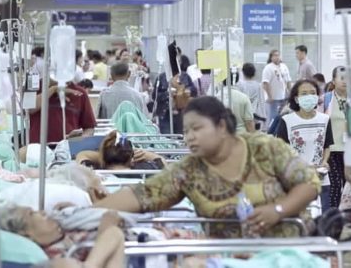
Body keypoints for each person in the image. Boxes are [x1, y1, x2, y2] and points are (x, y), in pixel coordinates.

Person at [94, 96, 320, 238]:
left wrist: (278, 210)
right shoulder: (189, 169)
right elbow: (143, 195)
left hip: (287, 251)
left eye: (196, 129)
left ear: (221, 126)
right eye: (186, 132)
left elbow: (309, 184)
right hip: (227, 259)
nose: (189, 138)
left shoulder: (264, 148)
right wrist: (86, 210)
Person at [0, 205, 125, 267]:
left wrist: (82, 208)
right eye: (32, 213)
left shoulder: (67, 233)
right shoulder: (46, 258)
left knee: (114, 232)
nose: (43, 212)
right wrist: (103, 232)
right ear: (24, 231)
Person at [276, 79, 333, 212]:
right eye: (304, 93)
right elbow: (281, 150)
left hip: (321, 179)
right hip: (295, 180)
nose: (309, 96)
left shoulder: (324, 119)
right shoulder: (287, 121)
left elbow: (327, 145)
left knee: (322, 219)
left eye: (312, 93)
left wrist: (324, 162)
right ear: (296, 98)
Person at [323, 66, 351, 209]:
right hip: (331, 150)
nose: (345, 81)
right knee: (334, 187)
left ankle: (349, 220)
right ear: (333, 80)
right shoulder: (325, 99)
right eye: (342, 78)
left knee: (350, 187)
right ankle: (332, 221)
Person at [28, 76, 96, 144]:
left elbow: (89, 128)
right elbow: (30, 108)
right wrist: (53, 89)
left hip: (68, 148)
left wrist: (80, 140)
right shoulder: (34, 86)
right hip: (38, 148)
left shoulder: (80, 93)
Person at [75, 131, 165, 172]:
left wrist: (104, 154)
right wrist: (145, 154)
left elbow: (82, 154)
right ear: (131, 158)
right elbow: (161, 161)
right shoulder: (147, 171)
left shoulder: (93, 173)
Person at [153, 54, 197, 135]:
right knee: (167, 136)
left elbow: (194, 90)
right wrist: (167, 93)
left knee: (181, 136)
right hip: (165, 114)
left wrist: (187, 91)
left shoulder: (185, 76)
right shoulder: (161, 77)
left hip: (182, 113)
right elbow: (154, 96)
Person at [262, 49, 292, 128]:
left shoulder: (284, 66)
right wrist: (270, 96)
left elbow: (288, 80)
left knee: (284, 116)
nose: (277, 57)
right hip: (273, 98)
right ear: (271, 57)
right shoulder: (268, 68)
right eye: (274, 55)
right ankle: (271, 132)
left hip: (284, 97)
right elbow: (265, 83)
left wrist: (291, 93)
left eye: (278, 55)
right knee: (273, 117)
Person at [236, 63, 267, 130]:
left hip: (244, 115)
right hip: (255, 116)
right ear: (254, 73)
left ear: (243, 72)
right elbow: (261, 101)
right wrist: (264, 117)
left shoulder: (240, 85)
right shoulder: (258, 85)